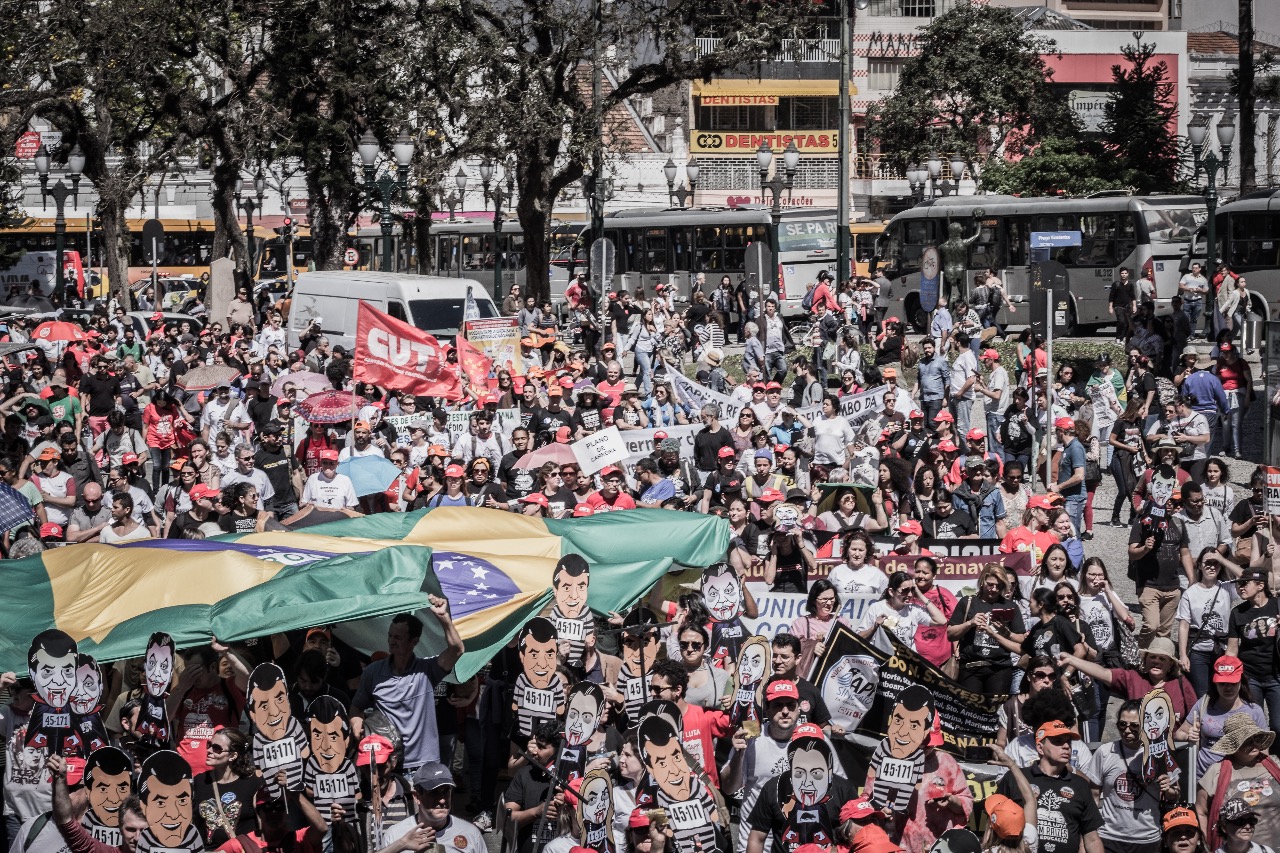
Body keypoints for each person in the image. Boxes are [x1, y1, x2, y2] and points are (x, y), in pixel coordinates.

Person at [350, 605, 464, 774]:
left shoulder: (427, 670)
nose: (391, 641)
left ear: (414, 641)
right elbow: (356, 707)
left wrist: (444, 618)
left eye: (398, 637)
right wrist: (356, 723)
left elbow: (457, 650)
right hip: (385, 764)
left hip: (422, 766)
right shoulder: (373, 672)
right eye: (390, 636)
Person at [1084, 700, 1181, 853]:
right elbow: (1093, 795)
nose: (1127, 730)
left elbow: (1175, 795)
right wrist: (1090, 832)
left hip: (1147, 838)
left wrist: (1168, 790)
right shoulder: (1105, 752)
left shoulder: (1160, 753)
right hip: (1109, 837)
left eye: (1134, 726)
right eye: (1122, 724)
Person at [996, 719, 1103, 853]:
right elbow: (994, 824)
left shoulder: (1080, 785)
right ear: (1040, 748)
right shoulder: (1016, 778)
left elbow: (1092, 839)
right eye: (1058, 741)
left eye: (1068, 742)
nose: (1066, 746)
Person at [1174, 655, 1268, 783]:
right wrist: (1188, 736)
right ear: (1215, 683)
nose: (1227, 688)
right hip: (1204, 778)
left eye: (1232, 683)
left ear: (1241, 681)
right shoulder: (1204, 704)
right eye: (1222, 683)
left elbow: (1264, 751)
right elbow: (1179, 734)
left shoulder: (1254, 711)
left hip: (1238, 781)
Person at [1196, 714, 1280, 845]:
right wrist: (1206, 844)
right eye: (1247, 740)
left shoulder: (1276, 767)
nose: (1254, 743)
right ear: (1233, 745)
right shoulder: (1216, 771)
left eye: (1256, 738)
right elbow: (1201, 811)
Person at [378, 762, 485, 853]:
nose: (442, 800)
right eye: (434, 793)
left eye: (446, 792)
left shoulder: (470, 833)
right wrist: (402, 844)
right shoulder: (396, 835)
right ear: (416, 797)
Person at [192, 728, 262, 848]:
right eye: (209, 745)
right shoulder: (199, 781)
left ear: (233, 756)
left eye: (216, 748)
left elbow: (262, 827)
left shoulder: (252, 783)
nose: (209, 750)